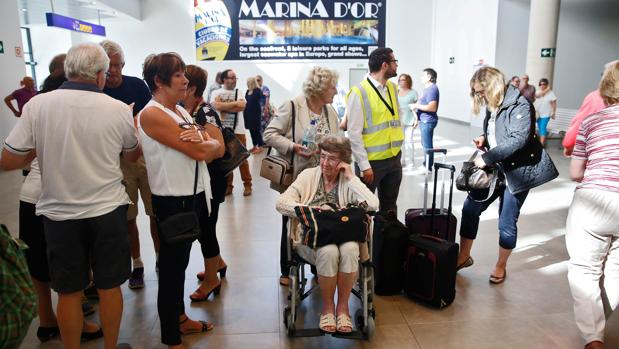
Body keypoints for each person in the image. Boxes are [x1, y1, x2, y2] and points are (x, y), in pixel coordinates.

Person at [1, 42, 141, 349]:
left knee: (68, 290)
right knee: (109, 286)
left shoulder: (38, 105)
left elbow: (8, 159)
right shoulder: (116, 109)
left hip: (58, 212)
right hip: (107, 209)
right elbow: (132, 156)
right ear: (101, 75)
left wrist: (46, 148)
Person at [140, 53, 223, 349]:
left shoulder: (180, 111)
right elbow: (202, 152)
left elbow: (215, 146)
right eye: (178, 75)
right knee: (173, 272)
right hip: (173, 202)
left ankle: (181, 320)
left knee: (182, 265)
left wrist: (206, 141)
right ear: (158, 81)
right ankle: (171, 337)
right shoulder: (152, 114)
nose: (186, 80)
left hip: (195, 197)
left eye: (184, 74)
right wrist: (206, 144)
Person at [456, 66, 558, 284]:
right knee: (470, 208)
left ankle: (501, 265)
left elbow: (518, 140)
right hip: (496, 168)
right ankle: (463, 257)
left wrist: (486, 157)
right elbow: (498, 130)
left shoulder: (521, 104)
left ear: (492, 86)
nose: (479, 96)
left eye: (481, 91)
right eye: (476, 93)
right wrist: (484, 137)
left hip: (518, 171)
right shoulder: (492, 105)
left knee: (506, 221)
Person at [275, 135, 379, 333]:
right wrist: (312, 212)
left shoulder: (349, 180)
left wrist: (351, 177)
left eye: (332, 158)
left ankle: (343, 309)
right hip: (313, 240)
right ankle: (328, 308)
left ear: (343, 161)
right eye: (323, 156)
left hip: (346, 238)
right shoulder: (308, 176)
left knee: (349, 249)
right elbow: (281, 203)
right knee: (329, 251)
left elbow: (373, 204)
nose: (325, 163)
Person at [264, 66, 340, 287]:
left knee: (318, 219)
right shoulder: (292, 106)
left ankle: (317, 264)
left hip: (322, 180)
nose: (335, 91)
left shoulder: (330, 112)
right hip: (296, 178)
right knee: (290, 221)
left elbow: (337, 140)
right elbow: (269, 134)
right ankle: (287, 268)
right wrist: (293, 147)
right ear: (320, 88)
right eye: (333, 86)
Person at [566, 59, 619, 349]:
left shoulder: (593, 121)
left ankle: (593, 337)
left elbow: (575, 173)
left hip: (594, 198)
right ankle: (597, 322)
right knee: (616, 271)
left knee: (584, 270)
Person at [100, 39, 158, 289]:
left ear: (122, 64)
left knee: (156, 212)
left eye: (116, 65)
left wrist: (132, 119)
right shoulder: (97, 92)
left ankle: (160, 259)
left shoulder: (137, 86)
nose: (112, 70)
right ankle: (137, 264)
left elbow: (152, 120)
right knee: (128, 218)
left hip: (145, 158)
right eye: (107, 65)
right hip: (116, 163)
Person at [180, 64, 228, 302]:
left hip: (210, 181)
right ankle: (217, 263)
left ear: (192, 88)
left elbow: (218, 149)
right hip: (199, 180)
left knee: (206, 229)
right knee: (205, 227)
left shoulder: (205, 111)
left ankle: (212, 280)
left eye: (182, 81)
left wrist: (198, 148)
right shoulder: (184, 109)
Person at [346, 47, 404, 212]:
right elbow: (354, 134)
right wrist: (364, 165)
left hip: (393, 159)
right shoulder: (359, 92)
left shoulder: (392, 88)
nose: (397, 66)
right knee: (365, 209)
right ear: (385, 65)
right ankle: (365, 239)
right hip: (372, 164)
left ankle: (385, 239)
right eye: (394, 62)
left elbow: (397, 118)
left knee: (390, 208)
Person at [210, 69, 252, 196]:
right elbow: (215, 106)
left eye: (235, 78)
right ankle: (228, 186)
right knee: (226, 158)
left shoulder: (239, 92)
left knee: (242, 158)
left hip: (238, 129)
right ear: (224, 79)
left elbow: (242, 106)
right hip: (222, 131)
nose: (234, 80)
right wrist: (235, 105)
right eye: (232, 77)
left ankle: (247, 184)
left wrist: (223, 105)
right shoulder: (215, 92)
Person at [410, 68, 439, 172]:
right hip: (424, 120)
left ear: (429, 77)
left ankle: (428, 166)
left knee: (427, 145)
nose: (421, 77)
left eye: (423, 75)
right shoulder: (427, 89)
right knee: (425, 144)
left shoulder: (432, 89)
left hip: (428, 121)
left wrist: (416, 105)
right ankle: (426, 164)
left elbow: (432, 107)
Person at [562, 90, 606, 156]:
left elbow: (581, 120)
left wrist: (568, 144)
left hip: (599, 148)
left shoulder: (595, 96)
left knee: (578, 163)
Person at [397, 73, 419, 167]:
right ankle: (402, 160)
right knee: (400, 141)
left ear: (408, 81)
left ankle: (411, 161)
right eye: (400, 80)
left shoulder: (413, 93)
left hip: (410, 119)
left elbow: (417, 107)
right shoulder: (396, 91)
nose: (401, 81)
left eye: (403, 80)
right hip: (398, 120)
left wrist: (416, 119)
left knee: (409, 140)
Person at [244, 76, 265, 153]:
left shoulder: (258, 91)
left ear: (251, 82)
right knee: (251, 130)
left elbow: (262, 99)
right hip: (248, 113)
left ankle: (261, 146)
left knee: (256, 130)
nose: (247, 84)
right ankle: (254, 146)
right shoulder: (247, 91)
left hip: (255, 114)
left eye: (248, 82)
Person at [534, 78, 558, 146]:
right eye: (541, 84)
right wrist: (547, 89)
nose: (542, 85)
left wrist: (553, 112)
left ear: (546, 84)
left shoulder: (551, 93)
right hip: (538, 114)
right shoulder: (537, 92)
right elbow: (537, 96)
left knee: (543, 128)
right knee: (538, 128)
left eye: (544, 84)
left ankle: (541, 145)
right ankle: (538, 144)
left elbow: (554, 103)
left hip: (546, 114)